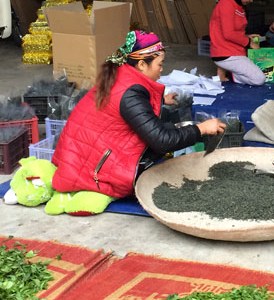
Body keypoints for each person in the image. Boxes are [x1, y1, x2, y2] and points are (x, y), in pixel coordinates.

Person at [49, 30, 225, 215]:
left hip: (81, 154)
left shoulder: (121, 75)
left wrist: (160, 100)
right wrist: (201, 128)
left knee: (164, 130)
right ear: (141, 64)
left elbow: (126, 108)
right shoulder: (131, 94)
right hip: (92, 168)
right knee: (163, 140)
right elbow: (162, 140)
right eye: (159, 64)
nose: (161, 69)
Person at [209, 0, 266, 86]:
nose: (251, 1)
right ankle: (234, 75)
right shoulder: (227, 4)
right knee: (260, 79)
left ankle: (224, 69)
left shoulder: (237, 3)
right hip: (225, 52)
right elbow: (228, 34)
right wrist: (249, 42)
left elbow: (232, 30)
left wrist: (248, 36)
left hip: (231, 49)